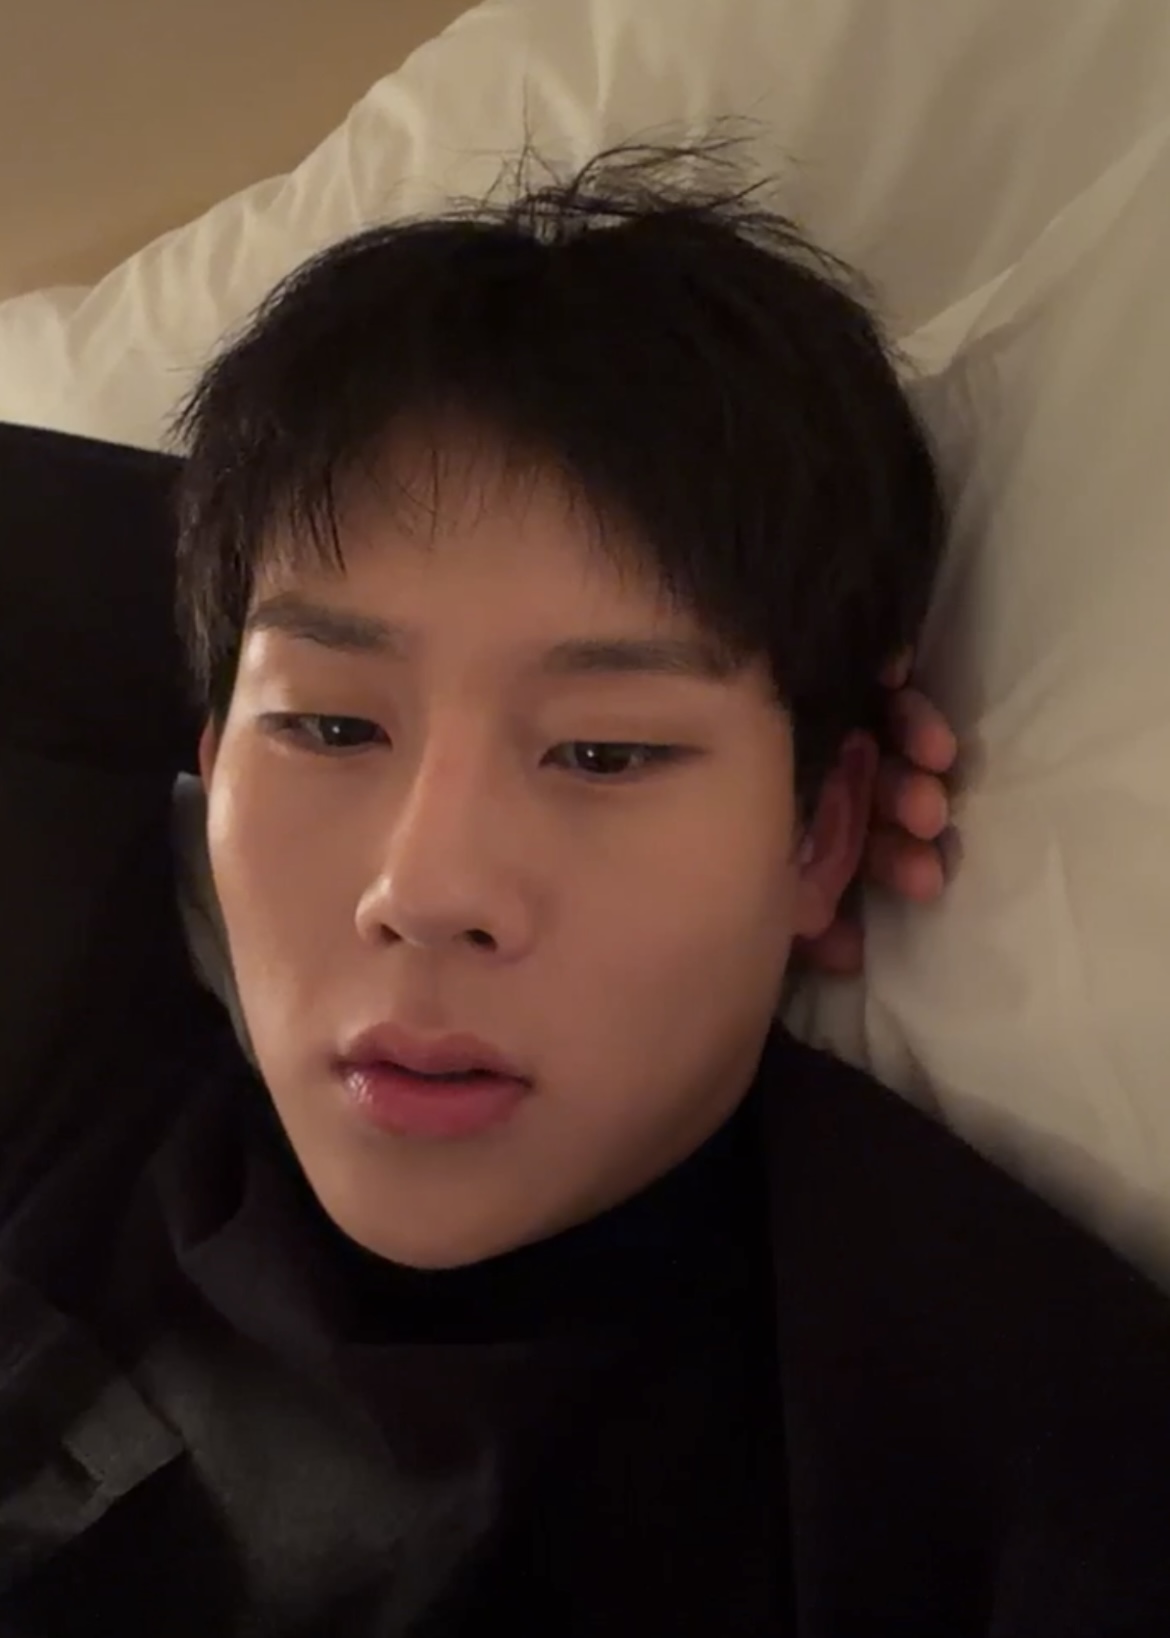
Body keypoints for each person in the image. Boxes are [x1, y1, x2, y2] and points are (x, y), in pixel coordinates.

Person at [1, 144, 1168, 1637]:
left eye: (606, 752)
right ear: (211, 753)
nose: (425, 888)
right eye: (331, 728)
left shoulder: (998, 1455)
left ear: (821, 837)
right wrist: (270, 540)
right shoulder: (77, 1065)